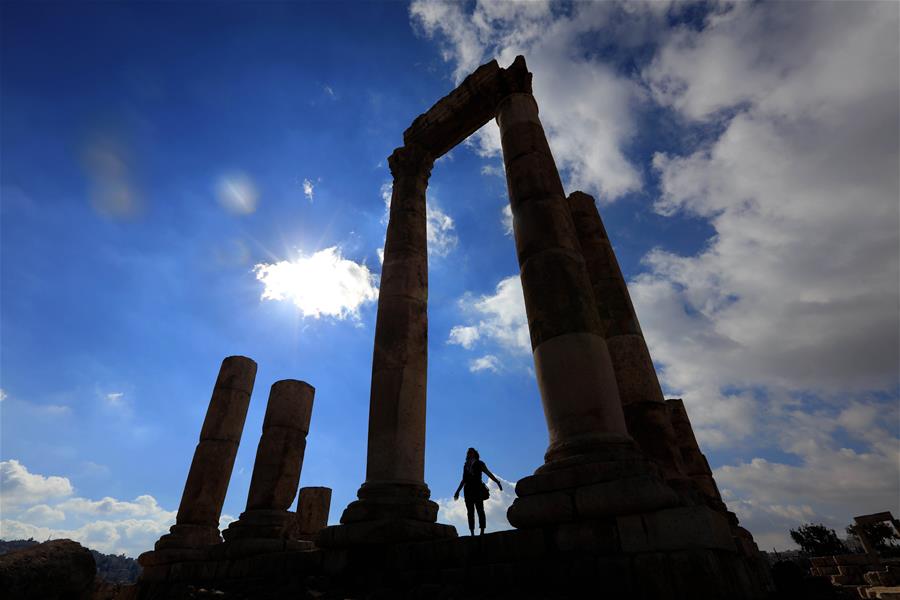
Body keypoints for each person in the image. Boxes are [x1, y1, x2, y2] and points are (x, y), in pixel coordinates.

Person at [453, 447, 502, 536]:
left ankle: (482, 531)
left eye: (471, 452)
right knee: (470, 512)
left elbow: (488, 473)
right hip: (467, 490)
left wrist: (497, 482)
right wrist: (457, 491)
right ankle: (472, 532)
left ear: (475, 454)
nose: (469, 454)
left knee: (480, 510)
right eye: (468, 453)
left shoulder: (480, 463)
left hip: (477, 489)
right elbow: (463, 480)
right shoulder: (465, 465)